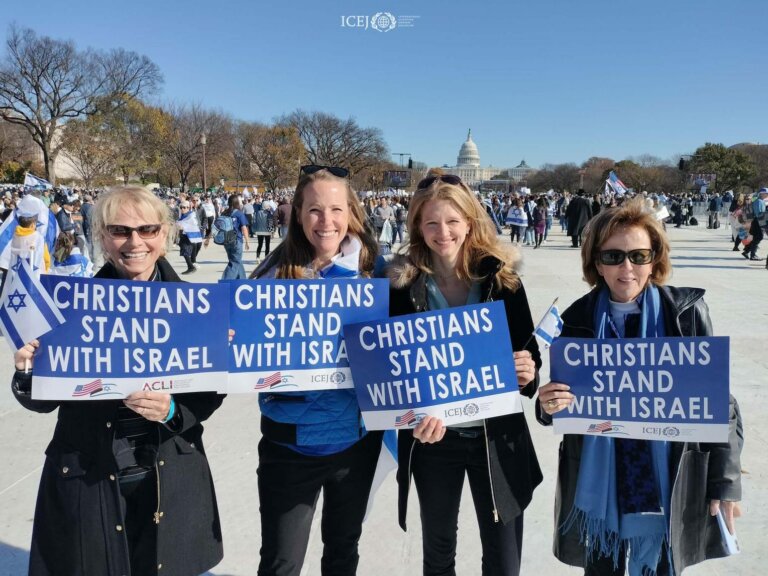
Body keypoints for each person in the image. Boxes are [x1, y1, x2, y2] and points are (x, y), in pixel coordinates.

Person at [11, 186, 224, 576]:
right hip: (91, 476)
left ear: (165, 233)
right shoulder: (68, 306)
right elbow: (43, 401)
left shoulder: (198, 306)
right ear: (102, 237)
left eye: (147, 229)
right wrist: (28, 370)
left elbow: (209, 394)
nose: (135, 242)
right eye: (120, 230)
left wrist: (173, 410)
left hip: (167, 475)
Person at [536, 198, 743, 576]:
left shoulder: (686, 313)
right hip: (601, 481)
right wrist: (547, 404)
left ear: (654, 259)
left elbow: (718, 403)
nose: (627, 267)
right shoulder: (576, 318)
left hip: (668, 475)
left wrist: (724, 483)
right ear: (597, 263)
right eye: (613, 256)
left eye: (638, 255)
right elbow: (559, 405)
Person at [388, 174, 543, 576]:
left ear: (470, 222)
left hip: (496, 437)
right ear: (418, 226)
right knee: (438, 555)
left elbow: (529, 354)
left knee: (504, 561)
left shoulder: (503, 279)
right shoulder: (401, 286)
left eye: (453, 221)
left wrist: (527, 371)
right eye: (432, 223)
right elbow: (389, 368)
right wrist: (410, 416)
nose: (444, 233)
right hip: (435, 439)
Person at [249, 165, 384, 576]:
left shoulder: (377, 271)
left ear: (351, 212)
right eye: (314, 210)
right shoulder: (271, 274)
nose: (326, 221)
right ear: (297, 213)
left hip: (355, 445)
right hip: (289, 444)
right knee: (281, 562)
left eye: (336, 209)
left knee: (342, 553)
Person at [207, 194, 250, 279]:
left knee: (236, 260)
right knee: (235, 262)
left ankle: (242, 280)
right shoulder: (239, 214)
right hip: (236, 240)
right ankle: (226, 281)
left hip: (226, 241)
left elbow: (216, 226)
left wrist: (208, 238)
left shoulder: (224, 213)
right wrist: (247, 241)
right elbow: (244, 228)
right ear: (237, 202)